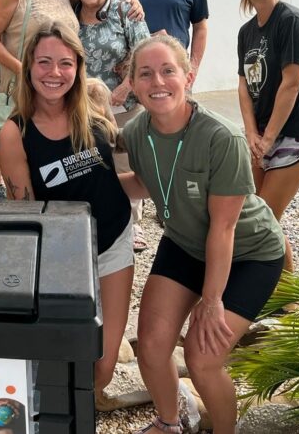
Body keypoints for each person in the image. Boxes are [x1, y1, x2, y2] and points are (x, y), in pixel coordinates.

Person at [120, 35, 285, 434]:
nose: (157, 81)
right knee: (154, 343)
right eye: (145, 73)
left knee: (202, 356)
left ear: (188, 75)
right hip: (184, 242)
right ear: (133, 84)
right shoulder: (137, 130)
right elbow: (145, 181)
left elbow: (224, 228)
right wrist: (85, 189)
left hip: (248, 252)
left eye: (167, 70)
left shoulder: (221, 137)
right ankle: (169, 421)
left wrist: (211, 300)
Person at [0, 21, 133, 411]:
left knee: (104, 364)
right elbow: (26, 211)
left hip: (112, 242)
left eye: (64, 63)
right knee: (62, 356)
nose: (54, 73)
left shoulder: (93, 112)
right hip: (63, 258)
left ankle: (84, 406)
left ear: (78, 67)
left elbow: (112, 180)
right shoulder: (15, 132)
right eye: (44, 62)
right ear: (28, 66)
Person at [236, 0, 299, 272]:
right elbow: (244, 85)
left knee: (264, 217)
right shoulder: (247, 31)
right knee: (253, 213)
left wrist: (268, 137)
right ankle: (280, 293)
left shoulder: (292, 21)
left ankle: (285, 299)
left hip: (295, 133)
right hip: (261, 135)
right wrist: (251, 133)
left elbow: (292, 84)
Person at [74, 0, 151, 251]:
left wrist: (125, 86)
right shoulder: (72, 14)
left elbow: (143, 50)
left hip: (123, 103)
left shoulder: (124, 11)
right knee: (89, 162)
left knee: (124, 162)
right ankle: (93, 218)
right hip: (84, 106)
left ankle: (133, 225)